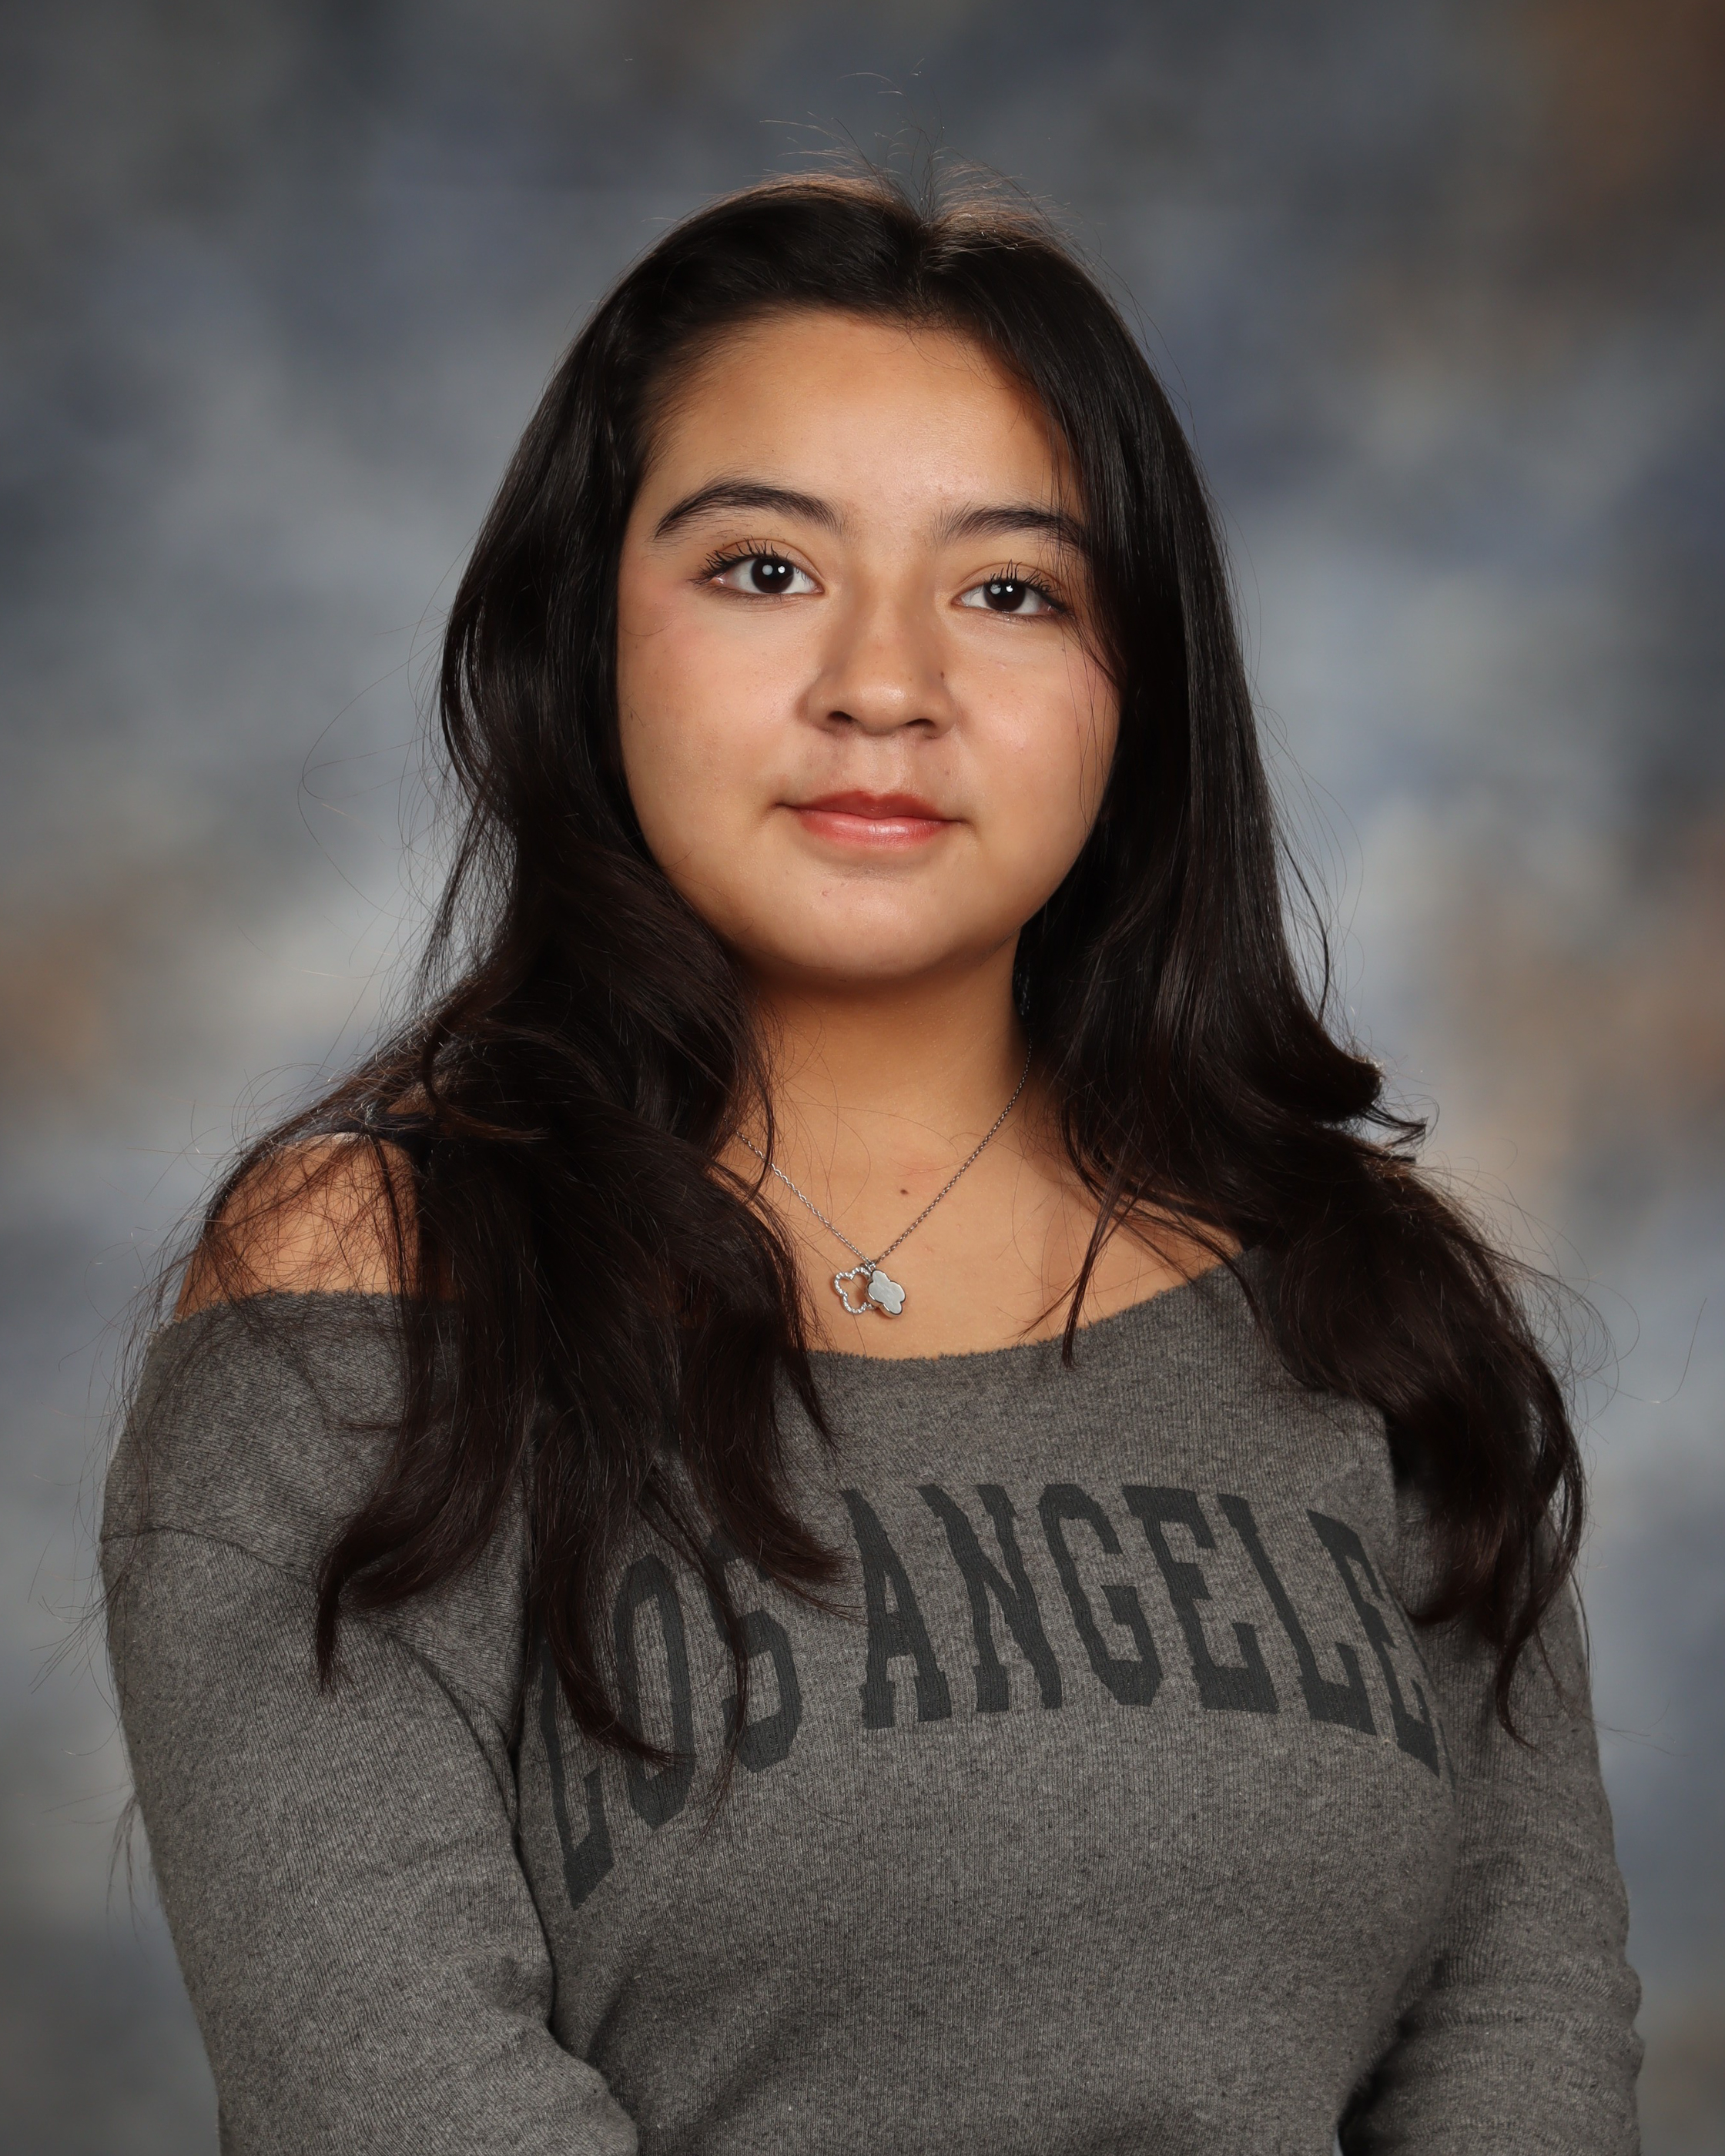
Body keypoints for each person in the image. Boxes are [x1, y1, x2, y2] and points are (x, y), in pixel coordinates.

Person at [102, 169, 1643, 2155]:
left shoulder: (1374, 1306)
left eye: (1011, 592)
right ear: (586, 632)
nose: (885, 685)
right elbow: (390, 2096)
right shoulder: (372, 1300)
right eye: (765, 569)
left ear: (1137, 689)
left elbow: (1521, 2038)